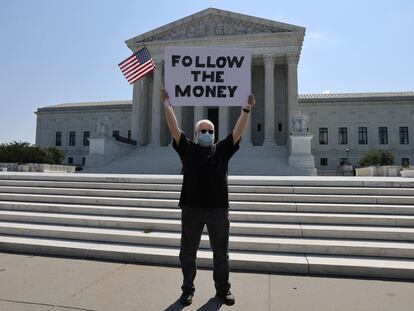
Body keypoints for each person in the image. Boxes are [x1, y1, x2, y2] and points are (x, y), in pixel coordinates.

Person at [161, 89, 255, 306]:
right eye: (202, 130)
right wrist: (167, 105)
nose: (206, 133)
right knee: (187, 253)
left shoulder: (222, 149)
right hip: (192, 209)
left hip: (218, 210)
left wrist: (247, 110)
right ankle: (187, 290)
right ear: (195, 134)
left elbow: (237, 132)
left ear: (214, 133)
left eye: (210, 130)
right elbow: (174, 129)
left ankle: (223, 289)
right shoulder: (187, 149)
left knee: (221, 254)